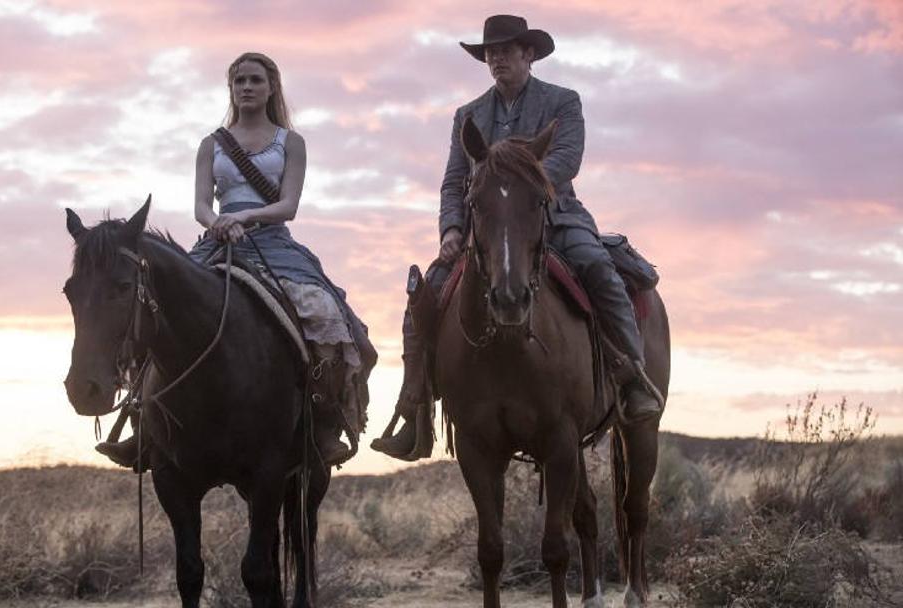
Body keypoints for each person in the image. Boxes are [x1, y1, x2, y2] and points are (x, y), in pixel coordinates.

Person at [371, 15, 662, 461]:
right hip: (483, 228)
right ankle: (415, 406)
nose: (496, 58)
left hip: (553, 215)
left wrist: (518, 183)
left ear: (529, 54)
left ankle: (631, 376)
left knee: (598, 268)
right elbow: (453, 181)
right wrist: (451, 228)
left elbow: (567, 159)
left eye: (506, 49)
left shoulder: (564, 102)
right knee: (425, 295)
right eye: (490, 51)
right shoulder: (468, 115)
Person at [98, 52, 376, 469]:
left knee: (327, 315)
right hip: (217, 242)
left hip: (273, 244)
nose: (246, 87)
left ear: (271, 88)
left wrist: (243, 216)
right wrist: (218, 222)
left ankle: (323, 420)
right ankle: (143, 419)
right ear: (231, 89)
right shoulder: (211, 143)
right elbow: (200, 206)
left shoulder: (291, 142)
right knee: (162, 308)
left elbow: (288, 206)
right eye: (239, 81)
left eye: (255, 80)